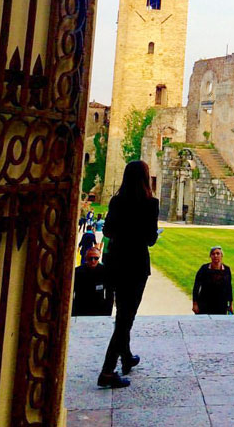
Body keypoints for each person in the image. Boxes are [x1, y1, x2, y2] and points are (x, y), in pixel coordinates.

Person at [97, 160, 159, 389]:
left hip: (116, 262)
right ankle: (107, 371)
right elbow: (151, 239)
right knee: (126, 318)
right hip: (136, 265)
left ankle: (126, 356)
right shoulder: (150, 204)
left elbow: (107, 230)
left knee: (123, 311)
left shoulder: (116, 201)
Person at [192, 247, 233, 315]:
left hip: (221, 304)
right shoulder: (204, 269)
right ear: (210, 256)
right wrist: (195, 304)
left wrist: (231, 304)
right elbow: (196, 287)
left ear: (221, 255)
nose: (215, 256)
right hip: (205, 304)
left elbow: (229, 287)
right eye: (213, 254)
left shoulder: (227, 270)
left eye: (218, 253)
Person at [72, 248, 112, 316]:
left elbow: (110, 293)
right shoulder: (77, 272)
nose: (93, 261)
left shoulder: (105, 271)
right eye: (90, 258)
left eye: (96, 258)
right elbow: (70, 293)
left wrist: (107, 311)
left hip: (99, 310)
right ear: (86, 258)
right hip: (80, 309)